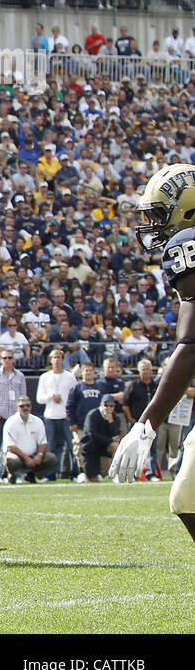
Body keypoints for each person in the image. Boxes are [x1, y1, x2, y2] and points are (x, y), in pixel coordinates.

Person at [112, 166, 195, 536]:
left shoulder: (187, 244)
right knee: (187, 497)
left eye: (159, 214)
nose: (152, 225)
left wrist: (145, 424)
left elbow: (191, 347)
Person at [0, 347, 27, 483]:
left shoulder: (20, 376)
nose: (7, 360)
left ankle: (12, 475)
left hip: (14, 418)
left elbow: (23, 398)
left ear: (13, 359)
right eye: (4, 358)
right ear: (0, 360)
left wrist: (22, 416)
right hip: (0, 416)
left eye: (9, 358)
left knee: (15, 448)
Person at [35, 348, 76, 482]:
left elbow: (75, 396)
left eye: (59, 357)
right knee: (50, 448)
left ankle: (76, 473)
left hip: (66, 417)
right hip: (50, 417)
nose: (57, 360)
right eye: (54, 357)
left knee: (72, 446)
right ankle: (50, 474)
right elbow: (39, 398)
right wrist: (51, 396)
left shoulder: (70, 376)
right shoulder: (45, 377)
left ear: (63, 360)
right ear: (51, 360)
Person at [2, 396, 55, 482]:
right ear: (17, 407)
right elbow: (11, 447)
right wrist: (26, 457)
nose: (25, 408)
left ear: (31, 407)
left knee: (51, 458)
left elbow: (43, 443)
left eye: (27, 405)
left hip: (33, 455)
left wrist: (40, 455)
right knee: (10, 461)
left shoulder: (38, 421)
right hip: (17, 456)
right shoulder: (11, 422)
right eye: (22, 406)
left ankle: (32, 475)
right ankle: (12, 475)